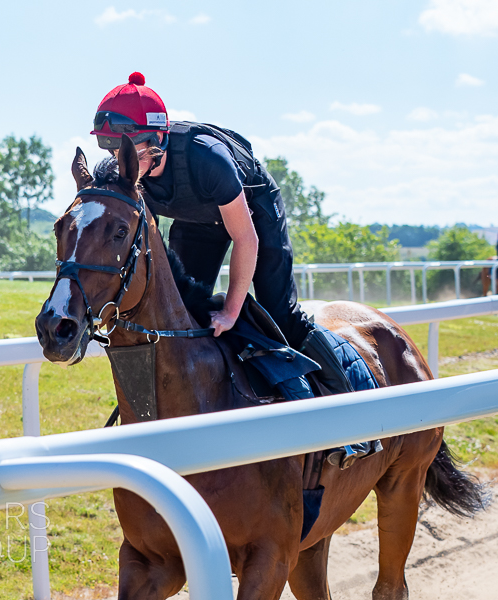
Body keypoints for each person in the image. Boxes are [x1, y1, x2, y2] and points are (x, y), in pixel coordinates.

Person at [90, 72, 356, 405]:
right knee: (182, 311)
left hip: (253, 214)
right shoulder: (129, 172)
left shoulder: (208, 158)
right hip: (196, 220)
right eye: (109, 147)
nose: (119, 158)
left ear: (156, 138)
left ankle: (348, 408)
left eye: (125, 148)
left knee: (280, 314)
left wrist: (231, 311)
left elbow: (246, 238)